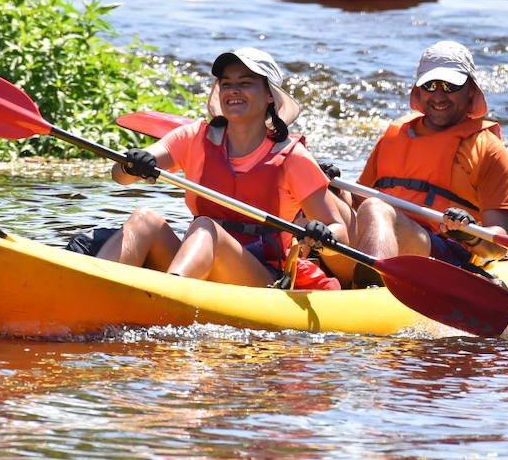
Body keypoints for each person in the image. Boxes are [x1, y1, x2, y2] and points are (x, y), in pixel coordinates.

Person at [69, 47, 345, 290]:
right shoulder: (194, 138)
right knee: (145, 219)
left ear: (270, 96)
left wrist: (322, 236)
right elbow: (120, 177)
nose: (233, 90)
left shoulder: (292, 157)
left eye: (245, 83)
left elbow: (338, 229)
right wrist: (132, 165)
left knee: (205, 228)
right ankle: (97, 288)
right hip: (200, 259)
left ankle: (166, 299)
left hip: (262, 276)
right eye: (226, 84)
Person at [326, 41, 508, 288]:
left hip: (445, 252)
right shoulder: (394, 137)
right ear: (418, 90)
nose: (439, 96)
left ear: (470, 90)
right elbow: (358, 204)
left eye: (450, 86)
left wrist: (465, 231)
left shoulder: (489, 149)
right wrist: (334, 189)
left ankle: (369, 292)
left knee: (377, 207)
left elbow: (498, 245)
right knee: (319, 193)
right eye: (430, 86)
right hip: (385, 235)